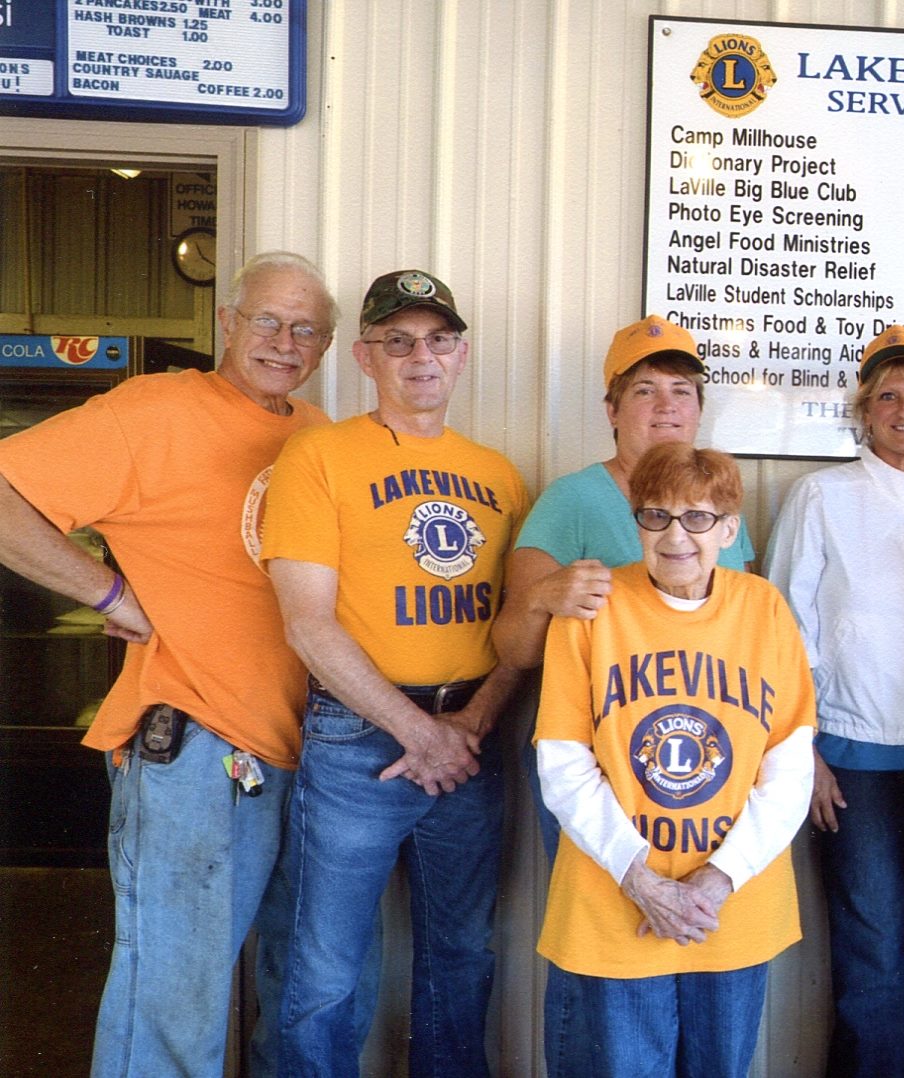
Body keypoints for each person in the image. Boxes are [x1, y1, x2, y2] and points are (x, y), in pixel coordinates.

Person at [0, 251, 333, 1075]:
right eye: (268, 321)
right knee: (174, 1001)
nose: (285, 342)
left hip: (309, 754)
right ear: (227, 322)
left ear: (326, 347)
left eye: (306, 330)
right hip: (196, 750)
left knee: (286, 994)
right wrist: (109, 593)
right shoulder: (156, 409)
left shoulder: (318, 435)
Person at [266, 270, 528, 1076]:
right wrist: (421, 732)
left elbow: (519, 630)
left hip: (471, 741)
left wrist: (469, 725)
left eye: (439, 339)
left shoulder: (501, 476)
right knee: (324, 968)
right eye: (399, 340)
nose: (422, 356)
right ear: (364, 357)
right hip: (357, 739)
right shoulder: (319, 456)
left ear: (463, 354)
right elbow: (308, 622)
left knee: (462, 957)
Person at [534, 442, 814, 1078]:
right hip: (618, 897)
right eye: (655, 516)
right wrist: (642, 882)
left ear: (728, 529)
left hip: (731, 902)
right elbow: (563, 760)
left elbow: (790, 766)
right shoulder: (592, 610)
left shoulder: (764, 609)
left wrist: (717, 880)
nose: (674, 535)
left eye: (696, 517)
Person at [765, 325, 904, 1077]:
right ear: (863, 410)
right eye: (887, 394)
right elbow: (788, 634)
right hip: (851, 763)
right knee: (874, 951)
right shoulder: (822, 496)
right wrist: (807, 755)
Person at [491, 314, 756, 857]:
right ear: (611, 410)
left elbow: (745, 633)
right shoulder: (572, 499)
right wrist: (543, 598)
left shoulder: (719, 501)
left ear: (699, 409)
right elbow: (513, 649)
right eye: (644, 390)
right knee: (600, 916)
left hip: (702, 752)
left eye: (682, 391)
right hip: (594, 761)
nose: (667, 406)